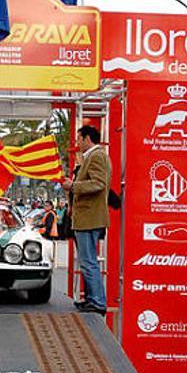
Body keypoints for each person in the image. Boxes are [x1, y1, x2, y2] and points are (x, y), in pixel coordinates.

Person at [62, 125, 111, 316]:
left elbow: (99, 184)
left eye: (79, 139)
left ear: (87, 138)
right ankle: (92, 299)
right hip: (86, 217)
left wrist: (74, 185)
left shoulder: (97, 156)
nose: (77, 143)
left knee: (89, 261)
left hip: (89, 217)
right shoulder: (92, 157)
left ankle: (97, 301)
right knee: (87, 261)